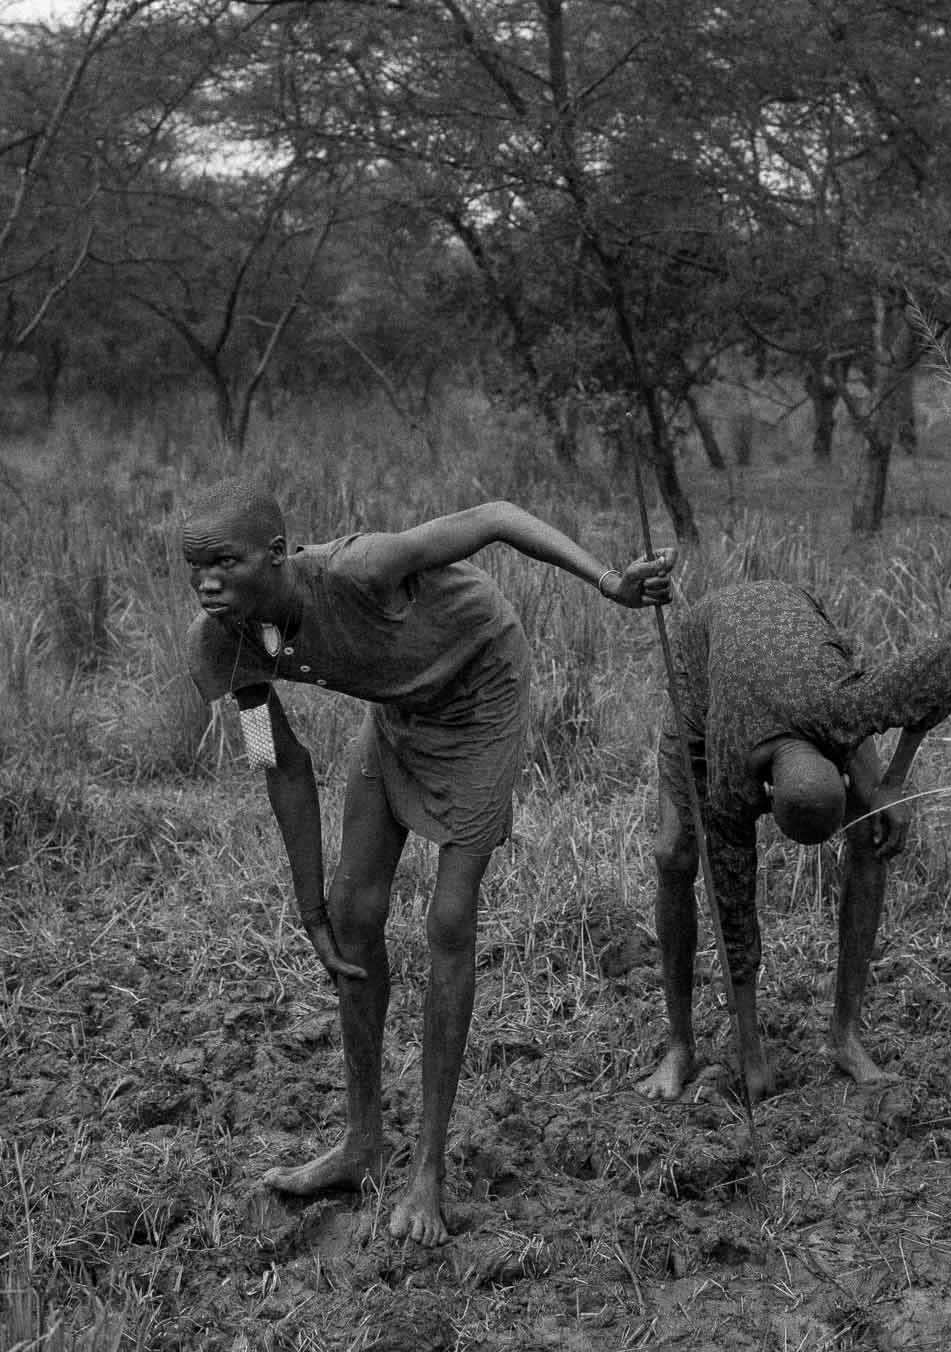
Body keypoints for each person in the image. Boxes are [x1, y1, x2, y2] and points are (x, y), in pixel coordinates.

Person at [180, 478, 674, 1246]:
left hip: (482, 692)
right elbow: (279, 761)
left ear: (275, 554)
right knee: (353, 916)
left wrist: (611, 582)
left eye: (225, 563)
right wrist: (311, 908)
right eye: (196, 567)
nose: (208, 583)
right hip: (402, 710)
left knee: (448, 920)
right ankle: (361, 1145)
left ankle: (428, 1172)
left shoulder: (362, 568)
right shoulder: (225, 640)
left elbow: (496, 516)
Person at [636, 580, 951, 1105]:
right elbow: (734, 904)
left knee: (873, 829)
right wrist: (750, 1053)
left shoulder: (846, 709)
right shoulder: (731, 774)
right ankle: (680, 1046)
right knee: (674, 853)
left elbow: (938, 662)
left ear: (834, 758)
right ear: (765, 793)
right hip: (708, 670)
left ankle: (846, 1036)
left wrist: (891, 786)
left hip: (806, 658)